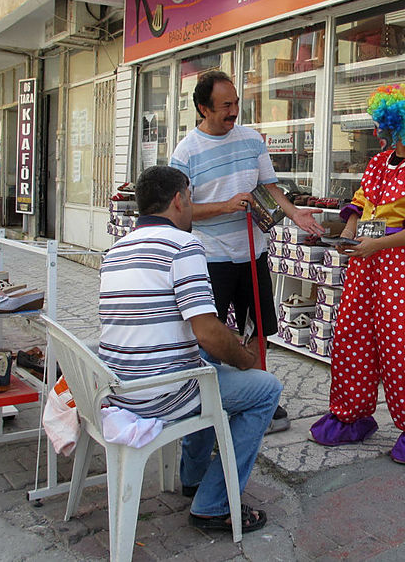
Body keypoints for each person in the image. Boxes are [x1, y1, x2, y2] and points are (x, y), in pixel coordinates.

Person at [98, 165, 281, 533]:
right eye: (192, 197)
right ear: (179, 199)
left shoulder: (115, 250)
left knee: (208, 369)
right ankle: (212, 504)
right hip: (159, 394)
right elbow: (208, 332)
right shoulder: (183, 245)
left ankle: (194, 477)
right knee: (265, 390)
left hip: (118, 389)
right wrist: (248, 361)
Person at [170, 70, 324, 433]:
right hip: (210, 257)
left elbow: (269, 188)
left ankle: (260, 398)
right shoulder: (185, 152)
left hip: (253, 252)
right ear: (202, 108)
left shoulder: (252, 140)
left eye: (236, 103)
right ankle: (203, 403)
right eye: (226, 105)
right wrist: (224, 206)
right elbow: (181, 212)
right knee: (209, 334)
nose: (234, 111)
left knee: (258, 329)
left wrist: (295, 213)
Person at [309, 83, 405, 466]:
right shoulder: (377, 164)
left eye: (385, 125)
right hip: (364, 262)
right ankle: (351, 414)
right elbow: (358, 206)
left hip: (401, 266)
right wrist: (349, 237)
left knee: (401, 346)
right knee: (352, 335)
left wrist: (377, 245)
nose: (379, 132)